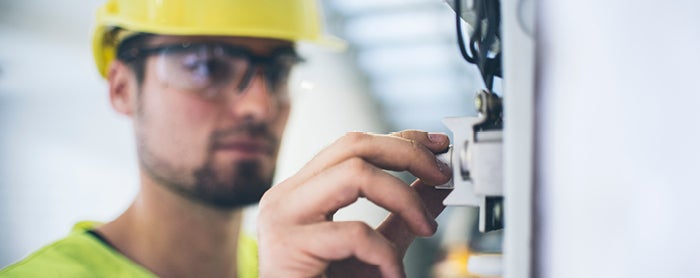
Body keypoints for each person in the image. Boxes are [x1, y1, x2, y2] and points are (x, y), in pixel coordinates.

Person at [0, 0, 452, 277]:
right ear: (122, 88)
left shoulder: (301, 269)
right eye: (205, 65)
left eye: (275, 71)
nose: (260, 106)